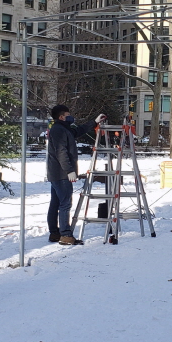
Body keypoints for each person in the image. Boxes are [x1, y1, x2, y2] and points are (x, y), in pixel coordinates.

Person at [47, 105, 105, 245]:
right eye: (68, 114)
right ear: (61, 117)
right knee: (65, 204)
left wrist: (94, 122)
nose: (70, 116)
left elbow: (78, 131)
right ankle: (66, 235)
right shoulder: (59, 130)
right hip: (61, 174)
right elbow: (61, 152)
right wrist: (69, 170)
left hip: (56, 173)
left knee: (56, 203)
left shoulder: (63, 128)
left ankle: (55, 233)